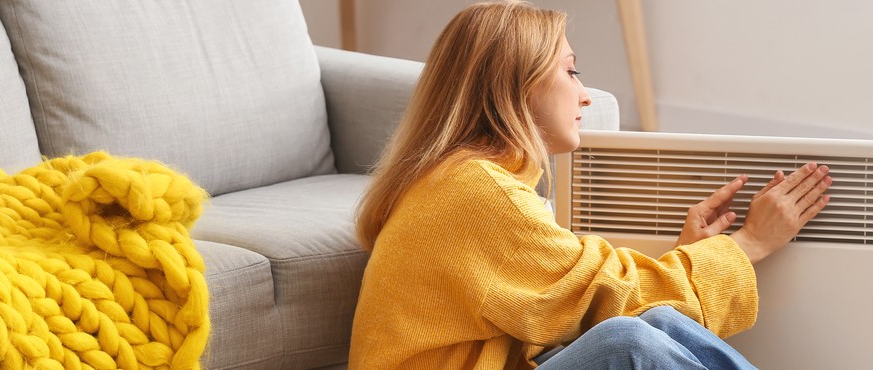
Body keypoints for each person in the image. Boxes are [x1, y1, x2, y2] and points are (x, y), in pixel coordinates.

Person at [349, 1, 832, 369]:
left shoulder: (465, 180)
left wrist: (689, 259)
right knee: (627, 341)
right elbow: (605, 293)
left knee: (657, 322)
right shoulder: (474, 192)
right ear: (516, 83)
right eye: (571, 69)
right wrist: (748, 242)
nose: (584, 94)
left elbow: (577, 294)